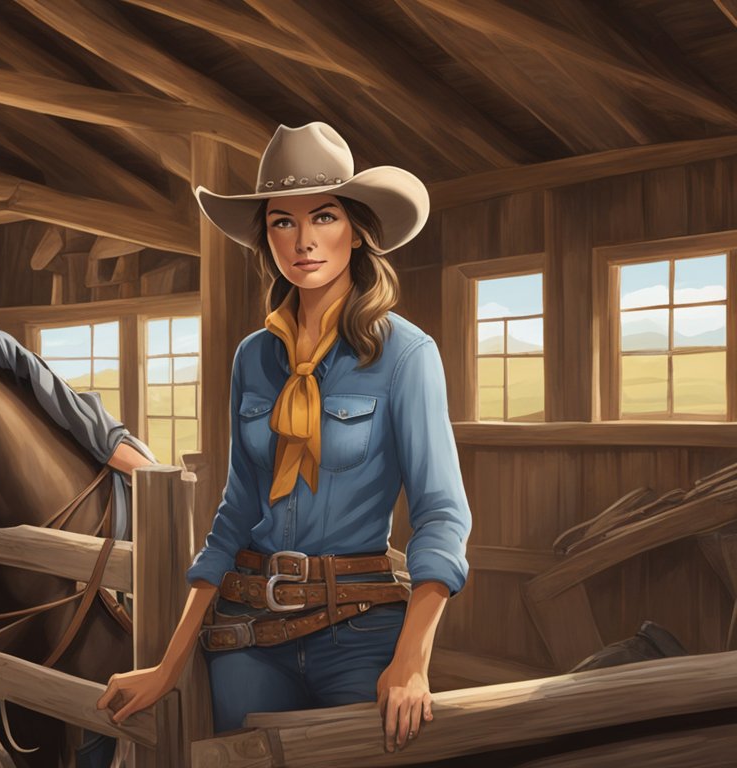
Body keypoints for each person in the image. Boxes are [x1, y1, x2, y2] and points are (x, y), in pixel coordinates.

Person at [96, 123, 472, 754]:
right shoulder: (253, 359)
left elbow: (441, 515)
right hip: (249, 635)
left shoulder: (407, 354)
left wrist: (411, 661)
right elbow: (235, 513)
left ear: (356, 229)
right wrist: (167, 666)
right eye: (281, 223)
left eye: (322, 217)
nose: (302, 242)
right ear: (265, 238)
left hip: (358, 629)